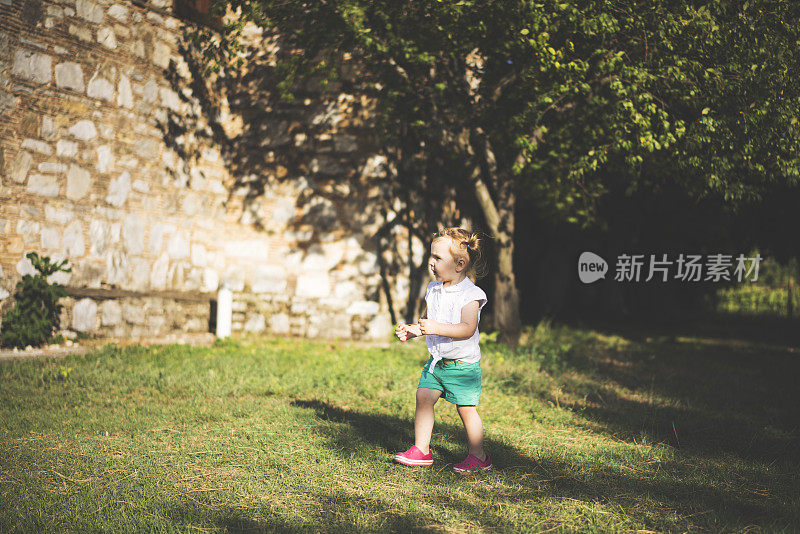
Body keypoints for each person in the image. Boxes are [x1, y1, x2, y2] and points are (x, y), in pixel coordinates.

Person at [393, 227, 492, 473]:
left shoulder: (470, 294)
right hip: (437, 362)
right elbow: (429, 318)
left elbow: (467, 328)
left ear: (459, 264)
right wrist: (416, 329)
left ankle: (479, 456)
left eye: (437, 258)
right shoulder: (434, 288)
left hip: (462, 365)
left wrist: (435, 327)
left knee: (466, 410)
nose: (431, 263)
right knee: (423, 397)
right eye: (431, 256)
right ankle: (421, 450)